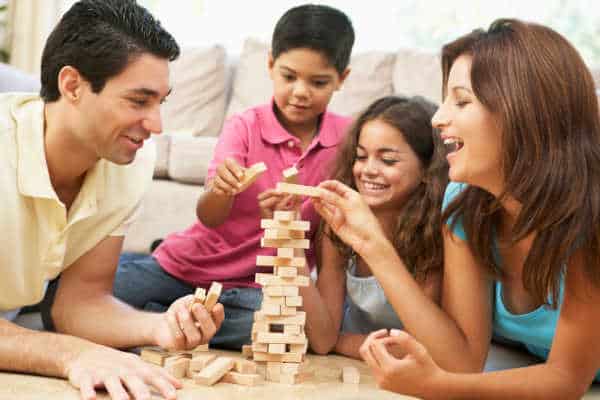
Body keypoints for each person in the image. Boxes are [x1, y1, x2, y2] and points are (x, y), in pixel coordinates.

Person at [313, 18, 600, 398]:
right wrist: (372, 245)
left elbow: (566, 380)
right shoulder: (464, 203)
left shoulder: (589, 210)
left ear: (523, 112)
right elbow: (461, 359)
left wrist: (438, 386)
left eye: (462, 101)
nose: (438, 118)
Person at [0, 1, 224, 399]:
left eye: (160, 102)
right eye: (138, 101)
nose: (156, 125)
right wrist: (70, 354)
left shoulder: (128, 163)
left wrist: (159, 327)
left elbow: (79, 302)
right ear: (72, 86)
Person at [113, 4, 355, 349]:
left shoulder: (345, 141)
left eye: (318, 82)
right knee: (83, 299)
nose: (301, 92)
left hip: (259, 289)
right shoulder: (244, 126)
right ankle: (169, 308)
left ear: (342, 78)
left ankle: (164, 315)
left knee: (280, 330)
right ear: (270, 65)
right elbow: (209, 216)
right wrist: (221, 191)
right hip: (188, 267)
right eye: (289, 76)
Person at [301, 96, 447, 358]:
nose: (368, 170)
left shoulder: (433, 235)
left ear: (427, 170)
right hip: (362, 352)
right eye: (360, 156)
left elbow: (423, 348)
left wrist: (342, 343)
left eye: (388, 160)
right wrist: (291, 251)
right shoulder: (338, 225)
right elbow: (323, 341)